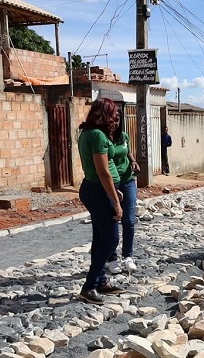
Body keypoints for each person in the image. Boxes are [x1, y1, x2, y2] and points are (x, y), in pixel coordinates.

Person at [77, 98, 125, 304]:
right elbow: (103, 171)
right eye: (113, 113)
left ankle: (100, 280)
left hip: (98, 189)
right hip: (98, 190)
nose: (116, 118)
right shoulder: (97, 135)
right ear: (105, 114)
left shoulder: (90, 133)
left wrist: (114, 191)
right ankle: (88, 286)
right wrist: (115, 201)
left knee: (100, 237)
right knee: (111, 240)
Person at [106, 127, 141, 275]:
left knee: (129, 220)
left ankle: (127, 256)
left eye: (118, 119)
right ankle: (111, 259)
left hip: (128, 180)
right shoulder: (103, 138)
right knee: (112, 219)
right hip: (112, 181)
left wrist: (133, 161)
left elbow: (128, 151)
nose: (115, 123)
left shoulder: (123, 136)